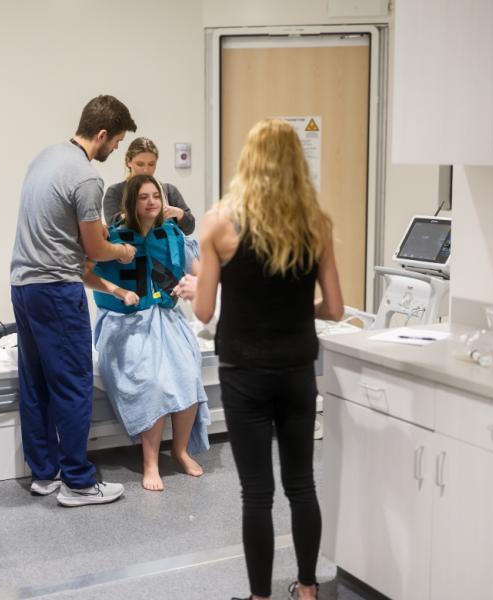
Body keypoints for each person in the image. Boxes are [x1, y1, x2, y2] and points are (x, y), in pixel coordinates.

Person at [193, 119, 344, 600]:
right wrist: (299, 307)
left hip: (243, 374)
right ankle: (306, 589)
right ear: (297, 163)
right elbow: (336, 309)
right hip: (297, 370)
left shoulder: (219, 222)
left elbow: (203, 309)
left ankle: (260, 597)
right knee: (302, 485)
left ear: (248, 162)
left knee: (256, 493)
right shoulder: (316, 224)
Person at [9, 95, 137, 507]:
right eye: (116, 142)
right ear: (101, 134)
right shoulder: (85, 177)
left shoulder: (46, 157)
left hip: (23, 284)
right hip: (56, 290)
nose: (115, 149)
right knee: (75, 382)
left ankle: (45, 474)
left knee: (37, 381)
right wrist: (120, 252)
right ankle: (79, 482)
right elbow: (95, 249)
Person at [86, 173, 210, 492]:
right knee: (151, 381)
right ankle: (150, 462)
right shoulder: (114, 239)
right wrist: (119, 293)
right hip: (125, 322)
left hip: (167, 318)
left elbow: (202, 275)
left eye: (156, 195)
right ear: (131, 201)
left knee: (187, 374)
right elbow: (86, 274)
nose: (152, 201)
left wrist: (192, 285)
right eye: (143, 197)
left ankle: (180, 451)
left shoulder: (171, 235)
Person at [102, 137, 195, 234]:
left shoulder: (169, 191)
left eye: (151, 164)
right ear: (128, 162)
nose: (146, 170)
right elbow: (113, 225)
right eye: (140, 164)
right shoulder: (115, 191)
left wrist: (179, 214)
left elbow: (190, 227)